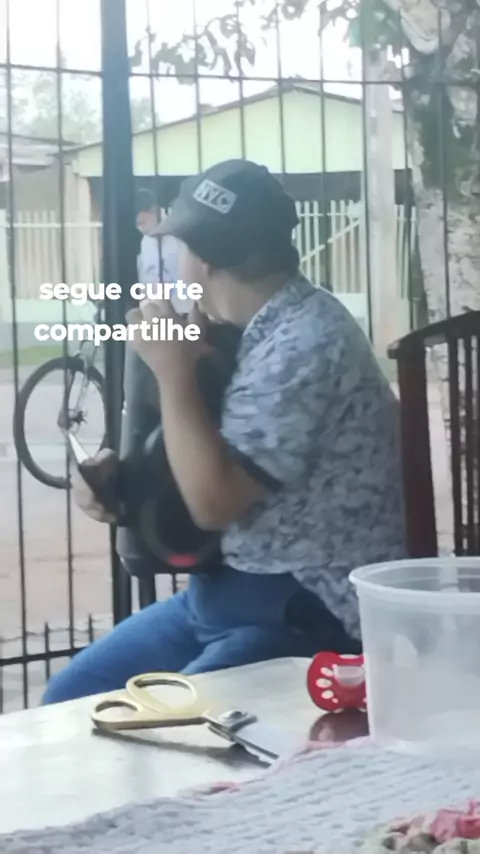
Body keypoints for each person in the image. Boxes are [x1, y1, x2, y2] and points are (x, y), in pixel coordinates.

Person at [43, 159, 407, 704]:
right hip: (226, 594)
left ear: (203, 258)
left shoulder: (304, 344)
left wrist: (173, 374)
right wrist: (122, 478)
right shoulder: (251, 331)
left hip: (306, 609)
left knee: (161, 726)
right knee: (73, 698)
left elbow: (214, 503)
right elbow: (199, 453)